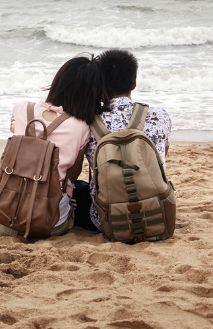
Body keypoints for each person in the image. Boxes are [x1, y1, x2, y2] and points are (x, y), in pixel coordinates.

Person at [0, 54, 103, 237]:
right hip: (48, 223)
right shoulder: (81, 127)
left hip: (2, 218)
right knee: (76, 190)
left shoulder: (22, 108)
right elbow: (71, 175)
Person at [72, 49, 172, 233]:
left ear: (99, 84)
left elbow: (75, 169)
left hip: (105, 220)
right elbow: (160, 160)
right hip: (156, 212)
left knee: (79, 189)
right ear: (134, 84)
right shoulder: (161, 116)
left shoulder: (88, 121)